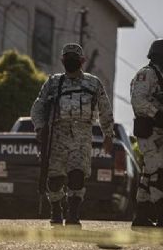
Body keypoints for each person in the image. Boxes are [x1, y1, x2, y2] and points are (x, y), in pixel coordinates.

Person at [31, 43, 114, 228]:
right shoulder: (53, 82)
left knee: (77, 175)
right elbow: (38, 106)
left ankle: (73, 214)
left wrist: (108, 134)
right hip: (57, 136)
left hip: (82, 136)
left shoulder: (93, 83)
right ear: (62, 61)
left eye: (74, 59)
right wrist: (39, 127)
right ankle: (56, 209)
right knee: (54, 179)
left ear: (82, 61)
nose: (70, 61)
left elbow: (105, 109)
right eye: (67, 58)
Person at [130, 39, 163, 228]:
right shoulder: (147, 74)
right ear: (159, 57)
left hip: (160, 134)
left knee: (148, 175)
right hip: (149, 131)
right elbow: (138, 101)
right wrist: (158, 114)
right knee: (158, 173)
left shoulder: (162, 79)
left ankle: (141, 217)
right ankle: (162, 216)